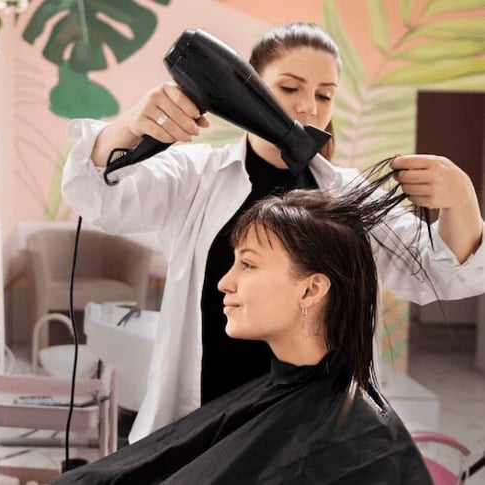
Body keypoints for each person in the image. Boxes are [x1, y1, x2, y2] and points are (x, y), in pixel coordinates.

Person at [61, 22, 485, 442]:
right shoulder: (197, 176)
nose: (308, 108)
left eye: (324, 95)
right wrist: (129, 127)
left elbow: (438, 272)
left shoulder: (346, 195)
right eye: (289, 88)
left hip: (312, 419)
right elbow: (97, 198)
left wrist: (461, 200)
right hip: (209, 405)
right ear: (248, 89)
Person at [54, 171, 434, 484]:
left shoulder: (351, 444)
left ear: (312, 288)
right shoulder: (289, 396)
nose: (225, 282)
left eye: (248, 265)